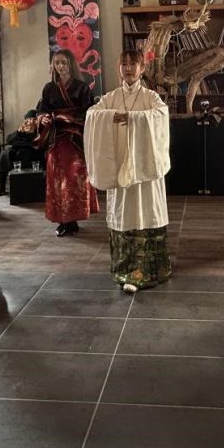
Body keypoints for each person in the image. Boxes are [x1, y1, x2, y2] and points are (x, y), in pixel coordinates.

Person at [85, 51, 171, 292]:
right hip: (120, 167)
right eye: (124, 64)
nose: (129, 68)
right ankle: (126, 271)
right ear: (119, 68)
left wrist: (132, 118)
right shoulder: (111, 98)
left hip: (145, 170)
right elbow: (92, 114)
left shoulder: (151, 97)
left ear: (142, 68)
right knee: (124, 214)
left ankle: (151, 270)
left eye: (134, 64)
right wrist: (111, 117)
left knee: (147, 212)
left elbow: (161, 115)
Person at [37, 49, 98, 236]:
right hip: (56, 138)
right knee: (56, 178)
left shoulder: (82, 87)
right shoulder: (49, 88)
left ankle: (72, 220)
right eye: (57, 63)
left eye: (63, 62)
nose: (60, 66)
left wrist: (69, 118)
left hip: (75, 139)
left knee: (72, 179)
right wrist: (44, 118)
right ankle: (62, 219)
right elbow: (42, 109)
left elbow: (89, 112)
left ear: (70, 63)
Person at [0, 109, 43, 197]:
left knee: (11, 153)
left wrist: (21, 143)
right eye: (27, 120)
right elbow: (9, 139)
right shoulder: (22, 129)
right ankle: (0, 185)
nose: (29, 122)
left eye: (32, 119)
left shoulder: (40, 130)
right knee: (4, 154)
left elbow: (34, 144)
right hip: (17, 151)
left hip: (31, 154)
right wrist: (18, 132)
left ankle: (1, 186)